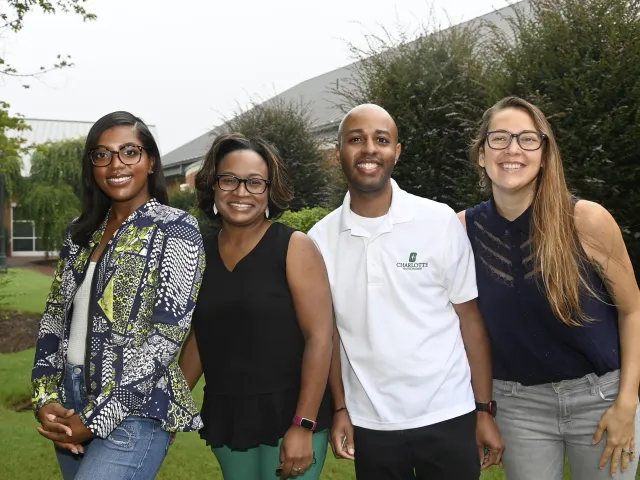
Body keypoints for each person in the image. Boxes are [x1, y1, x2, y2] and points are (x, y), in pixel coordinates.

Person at [307, 104, 504, 480]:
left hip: (449, 413)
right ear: (339, 153)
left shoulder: (438, 221)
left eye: (381, 140)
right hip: (372, 423)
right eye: (355, 139)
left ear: (396, 152)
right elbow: (329, 335)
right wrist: (340, 409)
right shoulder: (319, 241)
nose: (368, 149)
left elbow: (470, 320)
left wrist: (483, 409)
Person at [459, 96, 640, 479]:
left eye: (527, 139)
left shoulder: (585, 220)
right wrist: (482, 408)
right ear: (481, 154)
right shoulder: (460, 231)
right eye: (499, 138)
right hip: (517, 405)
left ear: (544, 153)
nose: (512, 149)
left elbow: (632, 310)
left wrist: (627, 402)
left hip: (600, 398)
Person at [31, 111, 205, 480]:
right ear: (91, 164)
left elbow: (166, 337)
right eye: (102, 154)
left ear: (150, 160)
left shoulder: (176, 229)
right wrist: (45, 399)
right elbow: (52, 319)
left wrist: (98, 419)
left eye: (130, 152)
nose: (116, 165)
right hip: (70, 401)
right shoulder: (80, 233)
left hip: (134, 410)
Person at [178, 133, 334, 480]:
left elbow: (320, 338)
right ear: (214, 187)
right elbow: (202, 338)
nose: (241, 192)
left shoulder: (295, 247)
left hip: (291, 414)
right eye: (229, 180)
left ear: (269, 191)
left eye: (254, 182)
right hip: (229, 415)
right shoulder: (198, 254)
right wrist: (168, 407)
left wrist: (303, 424)